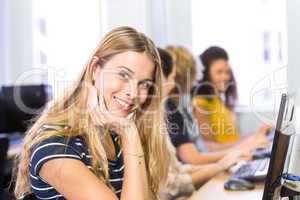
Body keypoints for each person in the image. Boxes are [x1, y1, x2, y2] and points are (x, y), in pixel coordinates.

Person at [14, 26, 170, 200]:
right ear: (95, 69)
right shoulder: (57, 146)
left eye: (144, 84)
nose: (133, 93)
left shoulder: (114, 135)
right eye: (123, 75)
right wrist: (129, 133)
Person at [158, 48, 245, 200]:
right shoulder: (171, 110)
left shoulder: (180, 107)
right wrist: (228, 158)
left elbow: (179, 168)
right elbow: (193, 157)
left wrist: (227, 160)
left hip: (190, 177)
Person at [192, 46, 270, 151]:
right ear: (206, 74)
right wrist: (248, 144)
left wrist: (258, 135)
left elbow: (233, 140)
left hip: (238, 157)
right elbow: (209, 148)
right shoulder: (201, 104)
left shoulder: (220, 101)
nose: (225, 77)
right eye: (219, 72)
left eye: (227, 72)